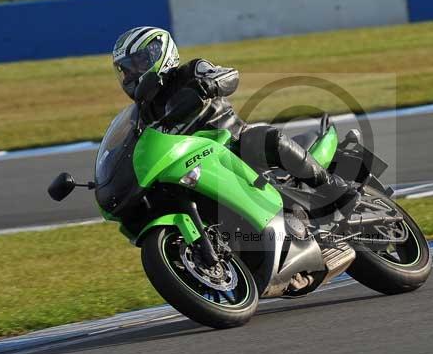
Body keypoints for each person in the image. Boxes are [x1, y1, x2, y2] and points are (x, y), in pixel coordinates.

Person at [112, 26, 359, 214]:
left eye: (136, 65)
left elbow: (229, 76)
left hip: (232, 143)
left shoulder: (190, 71)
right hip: (197, 165)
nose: (132, 74)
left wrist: (209, 84)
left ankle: (332, 187)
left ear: (158, 53)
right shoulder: (143, 113)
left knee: (262, 138)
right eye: (126, 69)